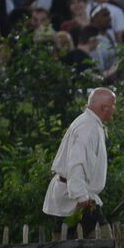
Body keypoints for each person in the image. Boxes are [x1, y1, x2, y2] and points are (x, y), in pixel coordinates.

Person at [43, 87, 115, 230]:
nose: (114, 109)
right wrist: (81, 196)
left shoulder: (90, 123)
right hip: (73, 196)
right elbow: (76, 162)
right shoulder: (87, 127)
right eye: (113, 105)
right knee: (103, 237)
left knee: (65, 245)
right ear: (103, 107)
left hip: (76, 193)